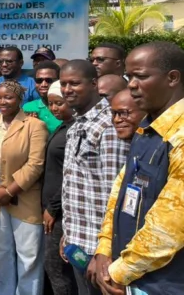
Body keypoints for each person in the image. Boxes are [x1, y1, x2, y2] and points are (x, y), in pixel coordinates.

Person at [92, 42, 184, 294]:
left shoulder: (179, 136)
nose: (131, 85)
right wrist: (104, 248)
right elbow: (120, 191)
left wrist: (118, 273)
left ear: (172, 78)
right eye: (129, 76)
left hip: (164, 284)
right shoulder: (146, 127)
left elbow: (170, 226)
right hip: (130, 275)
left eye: (140, 77)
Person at [60, 60, 129, 295]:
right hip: (79, 242)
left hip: (98, 250)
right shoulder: (77, 124)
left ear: (93, 84)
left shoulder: (108, 126)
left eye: (74, 83)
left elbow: (115, 196)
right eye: (63, 84)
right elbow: (76, 186)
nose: (67, 90)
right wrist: (69, 234)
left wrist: (103, 254)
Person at [0, 79, 48, 295]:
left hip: (24, 197)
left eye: (9, 97)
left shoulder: (34, 125)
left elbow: (35, 164)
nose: (3, 102)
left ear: (20, 99)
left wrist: (9, 191)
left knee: (28, 255)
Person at [41, 81, 79, 295]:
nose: (54, 108)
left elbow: (71, 174)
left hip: (61, 211)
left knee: (56, 267)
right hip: (54, 208)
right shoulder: (64, 126)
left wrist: (53, 207)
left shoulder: (75, 129)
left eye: (59, 103)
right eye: (51, 103)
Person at [23, 61, 63, 134]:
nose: (43, 84)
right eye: (39, 80)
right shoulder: (28, 108)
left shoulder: (67, 108)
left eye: (49, 80)